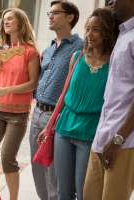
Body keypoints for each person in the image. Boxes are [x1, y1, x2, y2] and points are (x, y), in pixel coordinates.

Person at [39, 8, 116, 200]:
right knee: (63, 192)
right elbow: (64, 95)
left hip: (90, 133)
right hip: (63, 130)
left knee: (84, 194)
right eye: (88, 29)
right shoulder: (77, 57)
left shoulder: (114, 63)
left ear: (107, 31)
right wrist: (49, 128)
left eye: (96, 29)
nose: (89, 35)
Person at [0, 8, 40, 200]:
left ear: (21, 23)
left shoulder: (30, 51)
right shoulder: (2, 49)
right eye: (5, 19)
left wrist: (8, 90)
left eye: (10, 18)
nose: (6, 21)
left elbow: (33, 83)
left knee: (7, 158)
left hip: (17, 113)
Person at [29, 1, 82, 200]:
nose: (50, 16)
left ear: (70, 17)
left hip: (57, 116)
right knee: (37, 169)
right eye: (49, 13)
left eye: (55, 13)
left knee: (54, 176)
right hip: (37, 114)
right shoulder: (49, 49)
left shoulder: (80, 48)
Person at [83, 0, 134, 199]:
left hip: (123, 141)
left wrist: (118, 139)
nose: (110, 1)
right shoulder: (122, 33)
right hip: (102, 137)